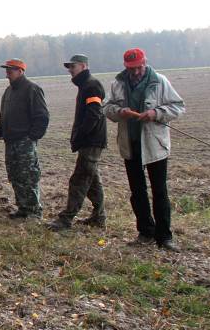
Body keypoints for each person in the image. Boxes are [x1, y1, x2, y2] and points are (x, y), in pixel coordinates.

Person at [103, 48, 185, 250]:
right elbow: (106, 107)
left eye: (139, 67)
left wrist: (155, 113)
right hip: (130, 145)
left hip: (155, 145)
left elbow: (178, 106)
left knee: (160, 191)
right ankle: (146, 232)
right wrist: (119, 111)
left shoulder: (160, 81)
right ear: (125, 66)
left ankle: (164, 237)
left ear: (145, 62)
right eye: (131, 68)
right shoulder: (118, 83)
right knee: (137, 191)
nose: (136, 71)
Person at [49, 54, 107, 231]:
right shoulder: (85, 85)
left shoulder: (92, 85)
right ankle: (99, 217)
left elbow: (93, 114)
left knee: (79, 180)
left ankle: (66, 219)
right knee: (92, 180)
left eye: (72, 66)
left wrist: (80, 136)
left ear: (83, 66)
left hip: (91, 141)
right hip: (89, 141)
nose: (70, 70)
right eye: (69, 67)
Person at [0, 58, 49, 219]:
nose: (7, 74)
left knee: (28, 176)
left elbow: (42, 117)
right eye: (6, 71)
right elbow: (3, 117)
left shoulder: (32, 89)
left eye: (10, 71)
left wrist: (31, 138)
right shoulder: (8, 92)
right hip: (10, 142)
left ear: (20, 71)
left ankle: (34, 211)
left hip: (25, 142)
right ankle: (23, 208)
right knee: (15, 176)